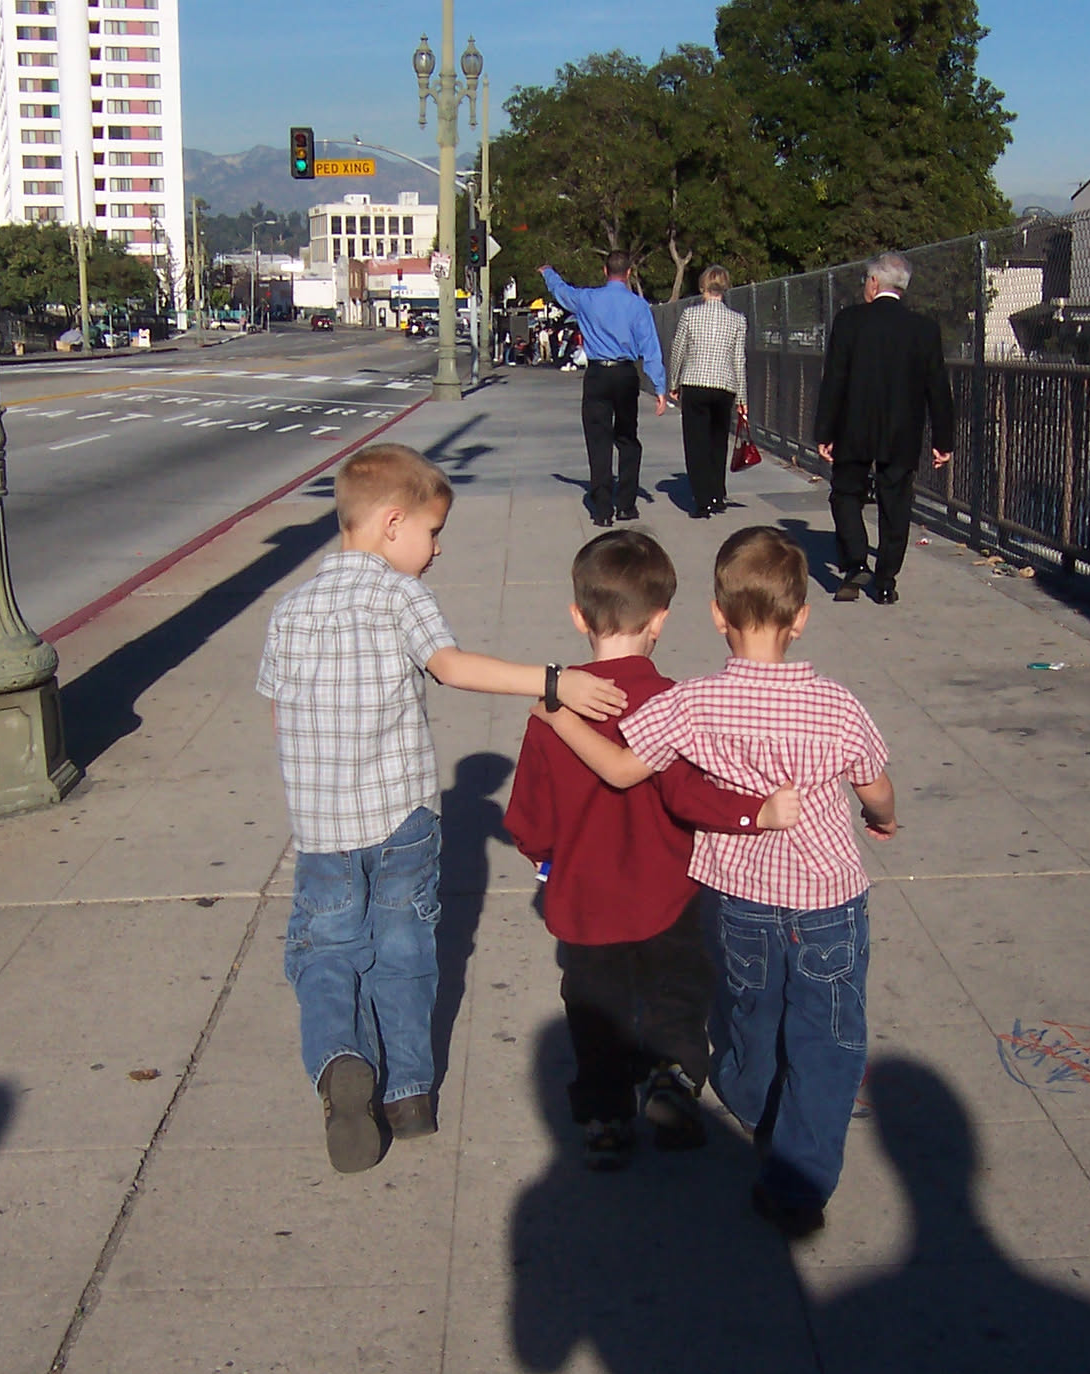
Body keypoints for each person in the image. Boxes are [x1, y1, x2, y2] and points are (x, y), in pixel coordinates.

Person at [257, 443, 628, 1175]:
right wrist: (553, 680)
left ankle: (340, 1063)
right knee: (404, 951)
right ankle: (409, 1096)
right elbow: (451, 668)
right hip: (402, 819)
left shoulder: (289, 610)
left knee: (328, 954)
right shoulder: (400, 597)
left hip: (323, 831)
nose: (436, 550)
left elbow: (278, 714)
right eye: (432, 533)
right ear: (392, 523)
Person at [537, 526, 898, 1239]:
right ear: (801, 618)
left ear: (715, 615)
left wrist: (557, 716)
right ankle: (798, 1178)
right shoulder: (837, 704)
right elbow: (875, 786)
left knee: (750, 1015)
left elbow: (621, 770)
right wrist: (881, 818)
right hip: (828, 900)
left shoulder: (694, 703)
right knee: (828, 1037)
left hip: (739, 898)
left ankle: (752, 1099)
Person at [504, 531, 801, 1169]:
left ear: (578, 616)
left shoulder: (552, 715)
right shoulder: (673, 703)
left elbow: (529, 818)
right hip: (671, 885)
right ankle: (672, 1073)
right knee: (679, 986)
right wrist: (754, 813)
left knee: (595, 1008)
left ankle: (605, 1119)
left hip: (586, 896)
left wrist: (545, 856)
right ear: (660, 620)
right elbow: (694, 794)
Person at [813, 252, 955, 605]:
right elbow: (937, 387)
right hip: (902, 429)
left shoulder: (849, 322)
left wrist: (825, 431)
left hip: (854, 425)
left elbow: (834, 380)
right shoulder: (924, 329)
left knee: (846, 493)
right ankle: (886, 580)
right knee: (896, 503)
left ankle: (856, 560)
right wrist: (943, 439)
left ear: (874, 282)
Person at [540, 253, 668, 527]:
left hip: (598, 373)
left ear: (604, 270)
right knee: (627, 437)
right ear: (629, 273)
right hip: (625, 374)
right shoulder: (638, 305)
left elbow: (562, 292)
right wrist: (659, 387)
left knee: (598, 439)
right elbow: (650, 347)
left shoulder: (588, 299)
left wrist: (548, 272)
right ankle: (626, 504)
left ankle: (602, 509)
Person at [666, 265, 749, 519]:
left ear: (703, 286)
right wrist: (742, 397)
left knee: (696, 442)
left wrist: (673, 382)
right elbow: (739, 360)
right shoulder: (737, 319)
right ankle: (717, 493)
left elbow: (678, 350)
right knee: (717, 441)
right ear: (725, 287)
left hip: (695, 382)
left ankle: (702, 500)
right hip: (724, 385)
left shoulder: (690, 315)